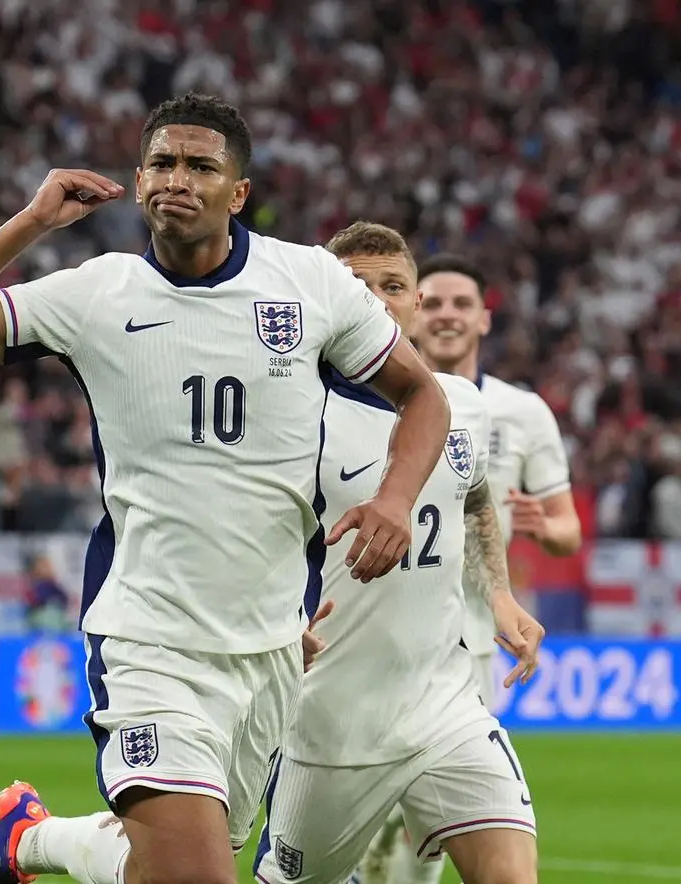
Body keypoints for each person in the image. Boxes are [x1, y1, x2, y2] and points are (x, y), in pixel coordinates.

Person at [0, 92, 452, 884]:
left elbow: (424, 395)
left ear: (238, 193)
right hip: (149, 638)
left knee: (173, 862)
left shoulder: (311, 283)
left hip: (270, 646)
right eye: (161, 163)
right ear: (139, 180)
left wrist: (394, 499)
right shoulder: (95, 294)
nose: (176, 179)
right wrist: (33, 222)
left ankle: (28, 839)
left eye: (200, 165)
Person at [251, 222, 545, 884]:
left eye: (394, 287)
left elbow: (472, 502)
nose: (379, 302)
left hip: (447, 707)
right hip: (330, 725)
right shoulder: (293, 417)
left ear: (416, 303)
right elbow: (237, 535)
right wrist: (267, 620)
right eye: (358, 287)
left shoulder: (460, 404)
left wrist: (498, 594)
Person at [359, 254, 583, 884]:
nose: (448, 315)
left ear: (486, 319)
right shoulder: (363, 397)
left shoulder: (522, 412)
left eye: (463, 304)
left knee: (437, 819)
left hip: (470, 636)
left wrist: (545, 526)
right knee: (364, 820)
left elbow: (570, 531)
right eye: (433, 302)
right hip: (370, 623)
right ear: (409, 311)